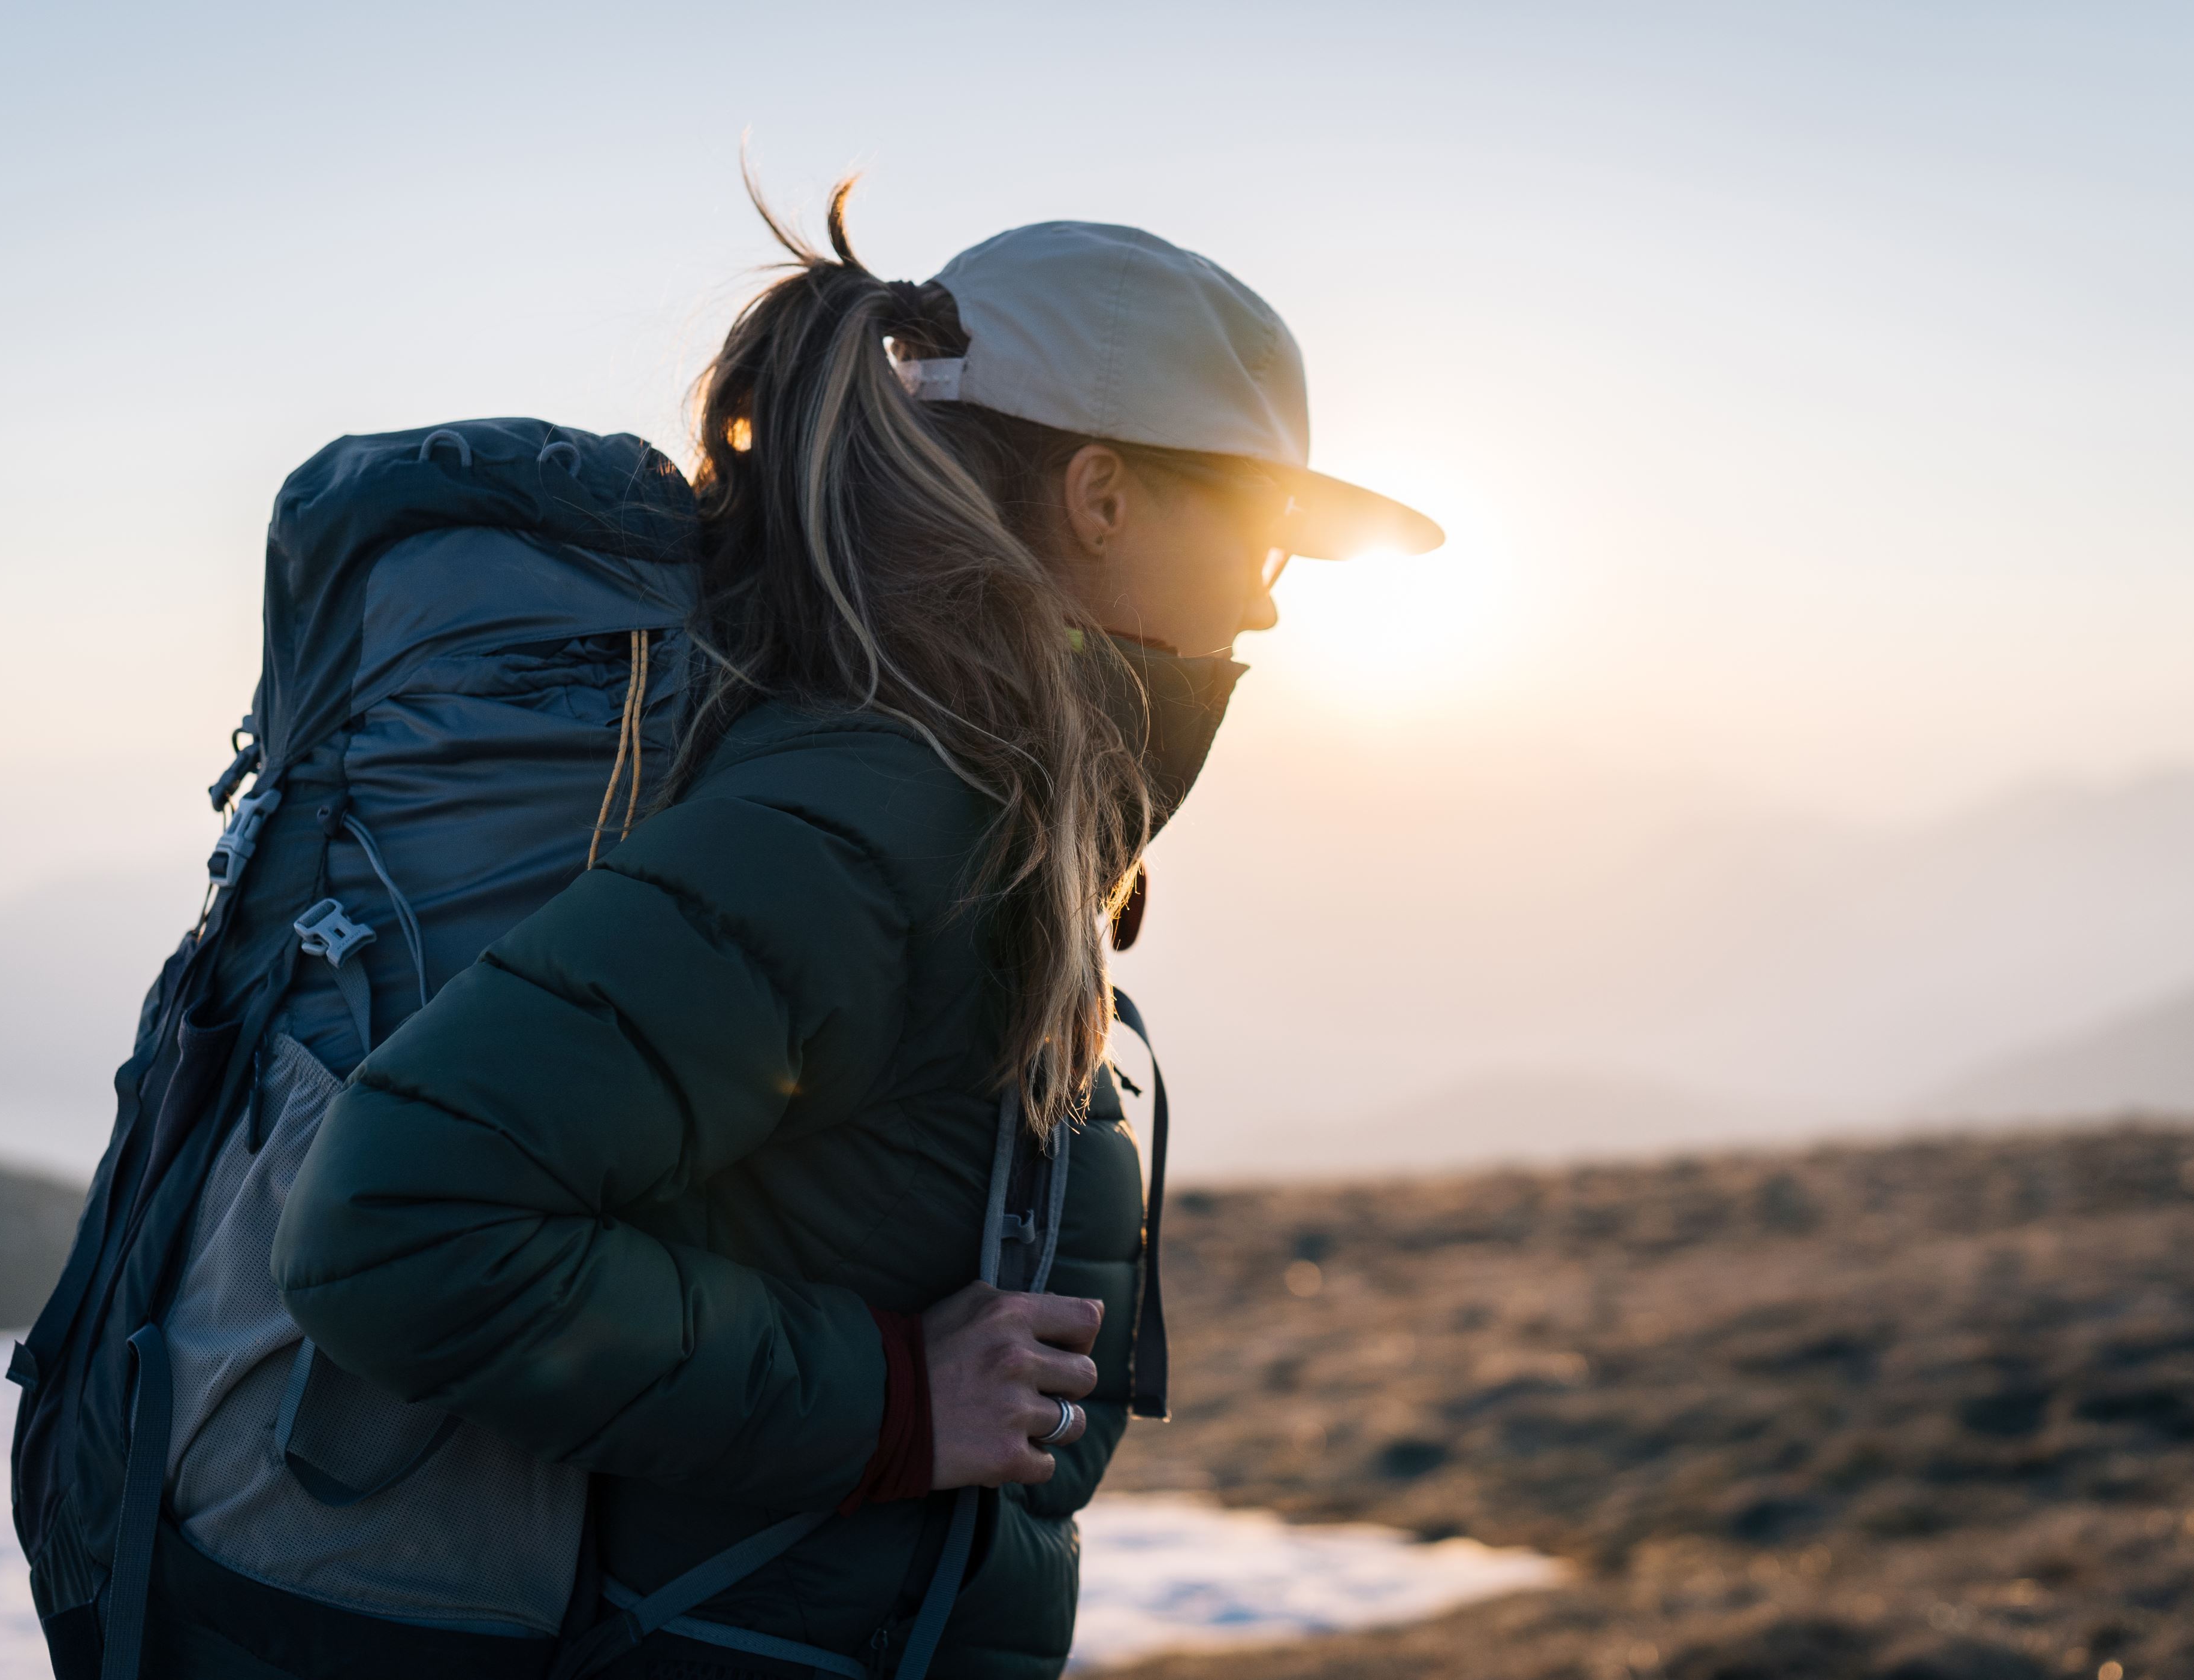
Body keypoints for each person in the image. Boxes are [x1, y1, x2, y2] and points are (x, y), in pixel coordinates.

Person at [269, 183, 1441, 1679]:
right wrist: (893, 1398)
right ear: (1101, 497)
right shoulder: (878, 826)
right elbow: (395, 1219)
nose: (1267, 611)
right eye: (1262, 533)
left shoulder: (942, 791)